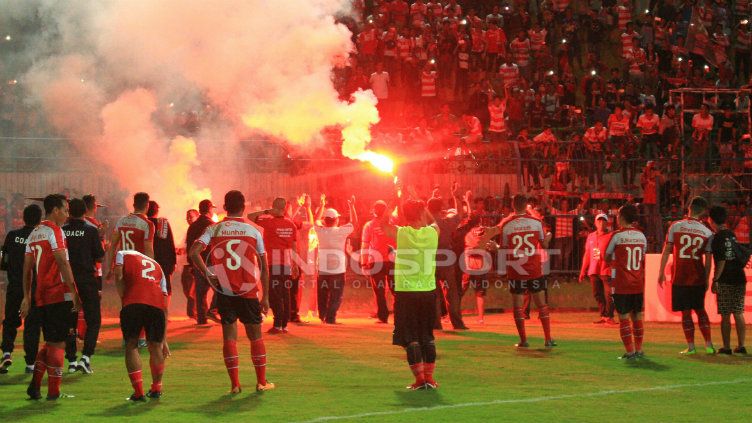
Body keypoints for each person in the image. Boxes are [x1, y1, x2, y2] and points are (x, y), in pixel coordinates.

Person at [191, 190, 274, 393]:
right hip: (248, 291)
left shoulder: (214, 228)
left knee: (229, 337)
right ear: (244, 207)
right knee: (255, 336)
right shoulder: (254, 231)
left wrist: (208, 274)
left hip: (225, 290)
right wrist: (266, 297)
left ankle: (235, 385)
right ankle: (261, 382)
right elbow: (264, 266)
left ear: (225, 207)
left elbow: (194, 252)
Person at [21, 194, 82, 400]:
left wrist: (27, 297)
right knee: (58, 344)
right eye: (65, 210)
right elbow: (62, 262)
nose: (67, 214)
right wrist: (73, 291)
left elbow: (27, 270)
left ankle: (35, 386)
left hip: (41, 296)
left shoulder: (34, 234)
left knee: (49, 343)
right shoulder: (55, 232)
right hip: (57, 294)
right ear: (55, 210)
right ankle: (54, 392)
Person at [479, 194, 555, 348]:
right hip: (534, 269)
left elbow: (505, 249)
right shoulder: (536, 222)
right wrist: (549, 236)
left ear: (513, 206)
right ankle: (548, 339)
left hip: (516, 270)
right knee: (542, 305)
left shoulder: (507, 225)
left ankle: (523, 340)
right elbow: (545, 246)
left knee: (518, 306)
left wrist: (495, 247)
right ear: (527, 205)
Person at [384, 199, 440, 390]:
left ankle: (420, 380)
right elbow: (435, 223)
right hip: (428, 292)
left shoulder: (402, 233)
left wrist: (394, 200)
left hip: (407, 293)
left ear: (404, 215)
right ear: (422, 213)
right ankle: (430, 379)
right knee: (427, 336)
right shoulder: (432, 233)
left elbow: (384, 224)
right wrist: (424, 208)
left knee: (411, 338)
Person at [658, 196, 715, 355]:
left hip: (680, 277)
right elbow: (709, 259)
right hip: (697, 277)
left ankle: (691, 347)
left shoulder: (676, 226)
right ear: (703, 211)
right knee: (700, 310)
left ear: (689, 208)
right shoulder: (707, 232)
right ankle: (709, 345)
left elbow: (667, 250)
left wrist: (661, 272)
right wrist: (707, 277)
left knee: (685, 312)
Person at [115, 249, 169, 401]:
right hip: (157, 306)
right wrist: (164, 339)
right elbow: (165, 304)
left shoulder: (122, 253)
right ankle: (156, 389)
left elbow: (118, 275)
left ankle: (138, 392)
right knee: (156, 347)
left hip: (133, 302)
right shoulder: (157, 265)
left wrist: (123, 296)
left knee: (131, 345)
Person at [62, 198, 105, 374]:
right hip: (87, 280)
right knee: (93, 320)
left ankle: (71, 361)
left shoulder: (62, 231)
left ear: (69, 212)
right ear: (85, 211)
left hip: (67, 282)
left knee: (69, 321)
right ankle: (86, 357)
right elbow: (99, 256)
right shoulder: (91, 230)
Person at [0, 204, 42, 374]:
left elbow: (4, 263)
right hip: (34, 289)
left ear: (23, 218)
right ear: (40, 220)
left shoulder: (12, 235)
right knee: (32, 325)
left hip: (15, 286)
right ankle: (31, 363)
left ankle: (7, 352)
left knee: (10, 320)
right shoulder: (40, 238)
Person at [248, 197, 298, 334]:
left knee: (274, 294)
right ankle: (284, 325)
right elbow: (294, 246)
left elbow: (250, 216)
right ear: (286, 208)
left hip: (273, 262)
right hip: (286, 263)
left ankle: (277, 325)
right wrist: (295, 265)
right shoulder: (291, 225)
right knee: (285, 294)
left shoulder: (268, 222)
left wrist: (267, 211)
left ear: (274, 207)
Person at [605, 204, 648, 360]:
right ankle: (639, 349)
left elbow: (607, 256)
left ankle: (629, 352)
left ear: (621, 217)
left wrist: (615, 261)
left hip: (622, 283)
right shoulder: (641, 236)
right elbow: (642, 258)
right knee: (637, 316)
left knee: (623, 318)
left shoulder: (617, 236)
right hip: (637, 283)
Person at [427, 184, 468, 330]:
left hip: (430, 259)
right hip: (447, 258)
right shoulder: (446, 222)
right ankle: (457, 322)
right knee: (452, 293)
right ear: (440, 208)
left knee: (434, 293)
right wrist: (456, 197)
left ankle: (435, 323)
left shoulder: (426, 225)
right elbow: (459, 214)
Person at [708, 206, 748, 355]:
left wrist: (715, 279)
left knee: (725, 313)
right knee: (738, 312)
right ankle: (741, 345)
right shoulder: (732, 234)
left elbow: (722, 260)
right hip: (739, 277)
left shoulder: (717, 238)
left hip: (725, 278)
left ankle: (726, 347)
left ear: (711, 220)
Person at [314, 195, 357, 324]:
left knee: (322, 294)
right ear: (336, 220)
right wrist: (352, 206)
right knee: (336, 295)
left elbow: (316, 220)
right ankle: (330, 317)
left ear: (325, 220)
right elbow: (354, 223)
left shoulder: (320, 231)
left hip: (322, 269)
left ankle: (322, 316)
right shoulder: (340, 231)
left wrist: (321, 206)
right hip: (338, 270)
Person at [361, 200, 397, 324]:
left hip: (375, 262)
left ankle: (383, 316)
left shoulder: (369, 225)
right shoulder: (392, 224)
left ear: (374, 211)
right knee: (395, 289)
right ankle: (400, 314)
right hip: (392, 261)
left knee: (379, 291)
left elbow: (365, 245)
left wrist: (363, 263)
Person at [104, 193, 155, 279]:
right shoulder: (147, 224)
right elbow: (148, 249)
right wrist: (151, 271)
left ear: (134, 205)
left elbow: (113, 246)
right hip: (139, 267)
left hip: (123, 265)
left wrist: (110, 267)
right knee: (138, 292)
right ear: (147, 205)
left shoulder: (121, 221)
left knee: (125, 292)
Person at [186, 200, 218, 326]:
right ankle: (212, 310)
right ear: (209, 209)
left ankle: (201, 319)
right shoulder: (212, 225)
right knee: (220, 289)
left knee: (200, 293)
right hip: (212, 262)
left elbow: (190, 247)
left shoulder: (192, 226)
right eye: (212, 208)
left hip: (198, 263)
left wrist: (191, 264)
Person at [580, 213, 615, 324]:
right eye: (599, 221)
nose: (601, 223)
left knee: (609, 293)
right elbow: (587, 254)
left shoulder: (611, 236)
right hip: (594, 269)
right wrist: (583, 270)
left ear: (607, 222)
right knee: (597, 293)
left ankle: (609, 316)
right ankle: (604, 315)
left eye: (603, 220)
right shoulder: (591, 236)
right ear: (595, 223)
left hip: (606, 269)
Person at [147, 201, 177, 313]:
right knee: (166, 288)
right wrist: (173, 262)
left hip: (146, 262)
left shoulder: (142, 223)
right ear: (157, 210)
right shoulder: (163, 223)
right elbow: (170, 243)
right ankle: (163, 312)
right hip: (164, 262)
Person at [181, 209, 200, 319]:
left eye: (190, 216)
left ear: (197, 216)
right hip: (186, 264)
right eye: (187, 217)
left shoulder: (197, 229)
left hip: (193, 263)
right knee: (187, 289)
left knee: (192, 290)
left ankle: (194, 312)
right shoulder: (188, 230)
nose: (188, 218)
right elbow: (185, 246)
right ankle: (196, 312)